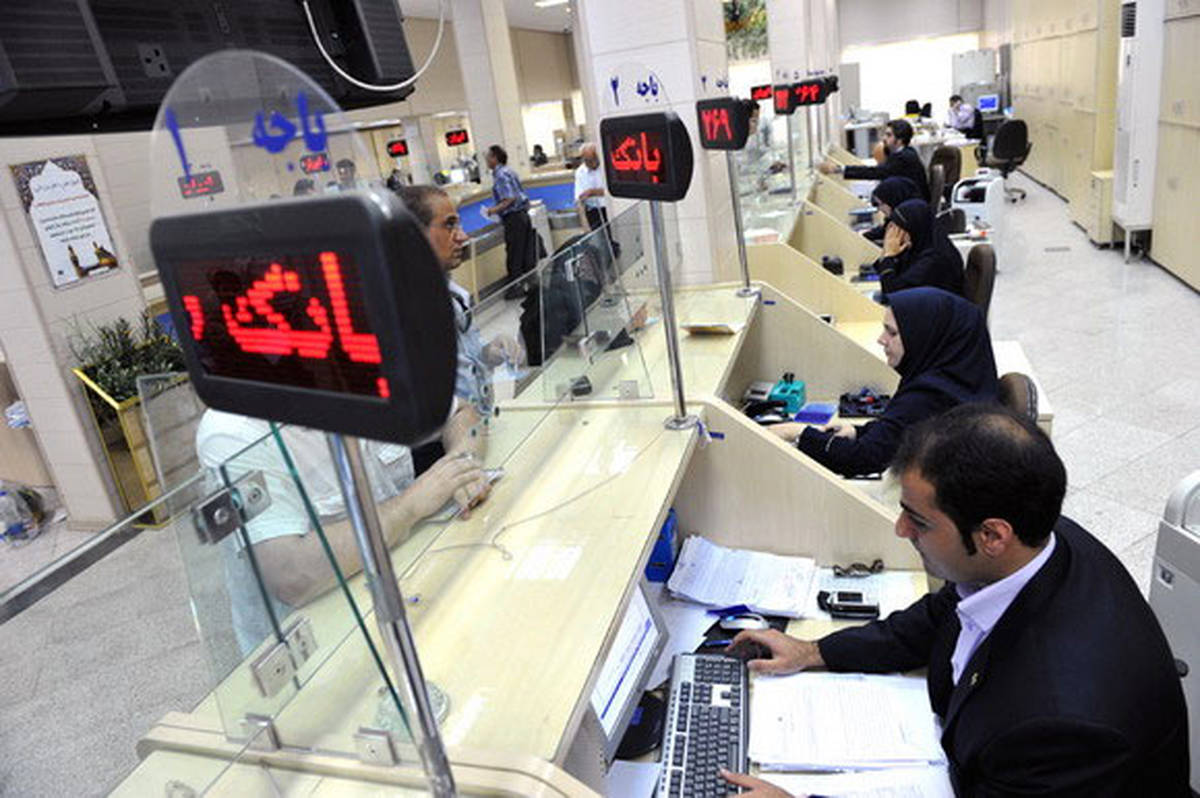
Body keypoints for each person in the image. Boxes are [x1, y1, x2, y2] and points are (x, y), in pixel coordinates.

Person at [725, 404, 1191, 797]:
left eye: (919, 521)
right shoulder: (1034, 539)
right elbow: (940, 614)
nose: (900, 530)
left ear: (992, 536)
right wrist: (814, 652)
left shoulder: (1062, 725)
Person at [196, 413, 489, 654]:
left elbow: (462, 414)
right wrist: (408, 507)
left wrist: (462, 467)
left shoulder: (359, 370)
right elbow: (291, 575)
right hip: (316, 649)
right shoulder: (232, 430)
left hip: (409, 592)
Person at [768, 288, 997, 477]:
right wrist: (857, 432)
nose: (881, 340)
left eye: (892, 333)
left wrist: (796, 431)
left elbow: (864, 458)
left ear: (922, 337)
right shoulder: (953, 380)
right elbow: (898, 432)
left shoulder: (929, 395)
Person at [396, 184, 525, 424]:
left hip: (480, 426)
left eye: (459, 225)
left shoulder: (454, 296)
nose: (463, 237)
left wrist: (491, 351)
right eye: (449, 225)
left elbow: (468, 361)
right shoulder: (400, 314)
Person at [818, 119, 930, 201]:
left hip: (913, 207)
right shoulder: (904, 152)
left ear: (899, 140)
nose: (884, 138)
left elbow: (875, 172)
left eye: (889, 135)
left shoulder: (904, 158)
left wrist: (838, 169)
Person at [875, 198, 965, 296]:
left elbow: (892, 293)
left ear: (912, 228)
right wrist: (887, 253)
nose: (893, 234)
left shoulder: (934, 259)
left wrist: (888, 255)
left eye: (898, 229)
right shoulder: (918, 246)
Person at [482, 144, 537, 300]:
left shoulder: (500, 175)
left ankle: (515, 288)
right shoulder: (510, 171)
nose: (486, 160)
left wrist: (492, 210)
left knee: (514, 254)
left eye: (488, 157)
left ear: (495, 158)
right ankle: (530, 284)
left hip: (514, 219)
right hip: (523, 216)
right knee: (525, 252)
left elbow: (509, 198)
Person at [861, 176, 922, 243]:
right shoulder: (899, 218)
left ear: (892, 201)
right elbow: (884, 231)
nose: (880, 208)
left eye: (880, 204)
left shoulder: (908, 219)